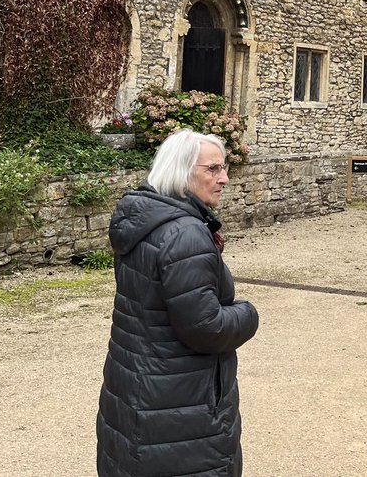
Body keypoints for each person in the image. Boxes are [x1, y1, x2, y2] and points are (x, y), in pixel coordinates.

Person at [97, 129, 260, 477]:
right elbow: (206, 328)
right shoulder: (185, 234)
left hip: (135, 385)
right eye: (213, 169)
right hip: (178, 400)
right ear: (183, 173)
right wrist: (248, 314)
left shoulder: (144, 221)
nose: (225, 178)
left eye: (224, 167)